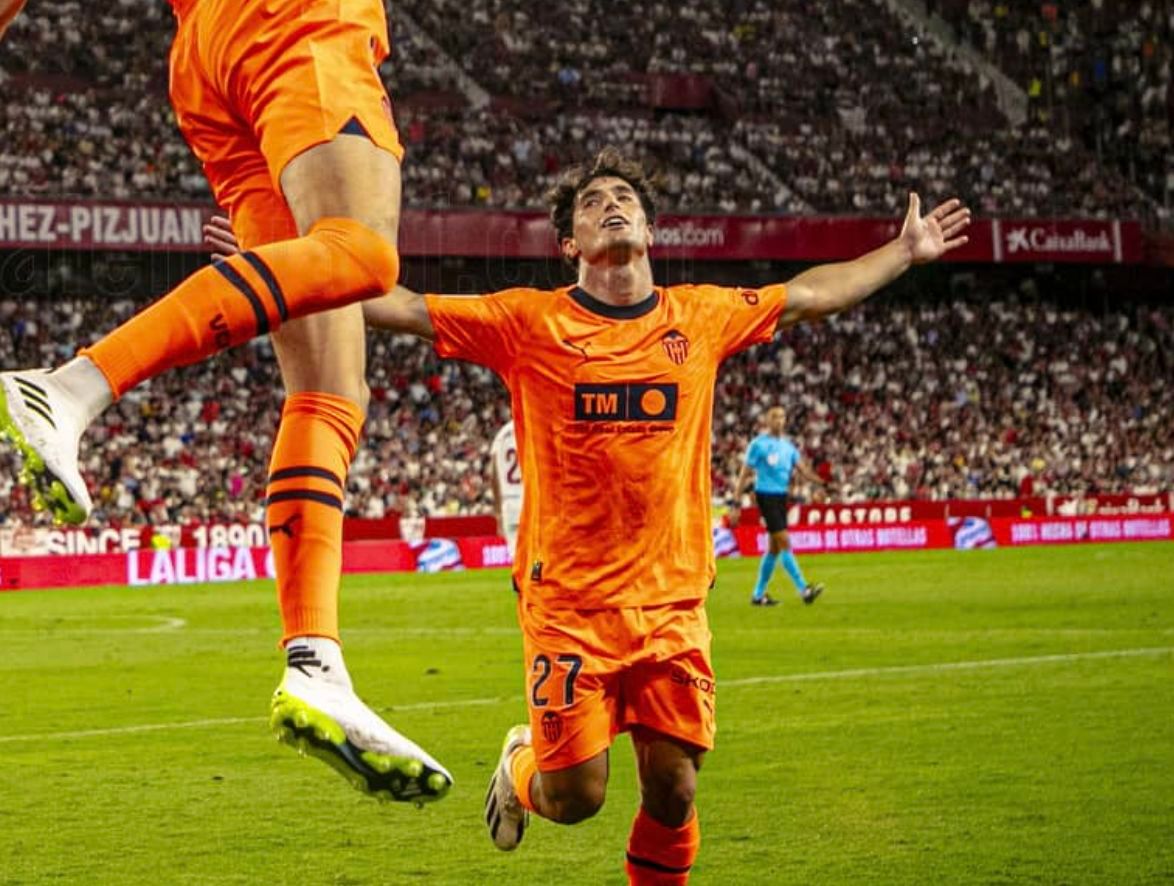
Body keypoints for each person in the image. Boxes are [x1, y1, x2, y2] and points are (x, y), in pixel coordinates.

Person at [349, 147, 969, 881]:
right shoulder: (529, 323)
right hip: (569, 606)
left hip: (673, 601)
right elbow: (404, 308)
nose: (611, 203)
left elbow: (808, 295)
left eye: (625, 198)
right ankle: (519, 767)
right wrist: (275, 276)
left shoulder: (699, 317)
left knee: (674, 791)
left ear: (650, 230)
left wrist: (903, 250)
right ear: (570, 244)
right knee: (576, 797)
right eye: (592, 202)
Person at [0, 0, 450, 802]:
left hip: (208, 59)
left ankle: (318, 666)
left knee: (330, 393)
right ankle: (69, 388)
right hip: (298, 19)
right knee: (364, 252)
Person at [733, 405, 827, 607]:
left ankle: (758, 595)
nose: (779, 420)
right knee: (784, 542)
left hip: (781, 497)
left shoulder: (788, 447)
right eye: (775, 417)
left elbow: (803, 470)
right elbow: (745, 472)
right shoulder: (758, 444)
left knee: (774, 548)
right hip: (765, 496)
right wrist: (735, 500)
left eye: (782, 417)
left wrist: (822, 482)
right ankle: (804, 589)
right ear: (767, 420)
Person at [489, 419, 523, 560]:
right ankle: (535, 579)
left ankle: (521, 581)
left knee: (516, 556)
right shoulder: (529, 429)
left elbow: (494, 475)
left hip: (508, 503)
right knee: (537, 554)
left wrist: (498, 511)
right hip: (529, 500)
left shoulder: (501, 436)